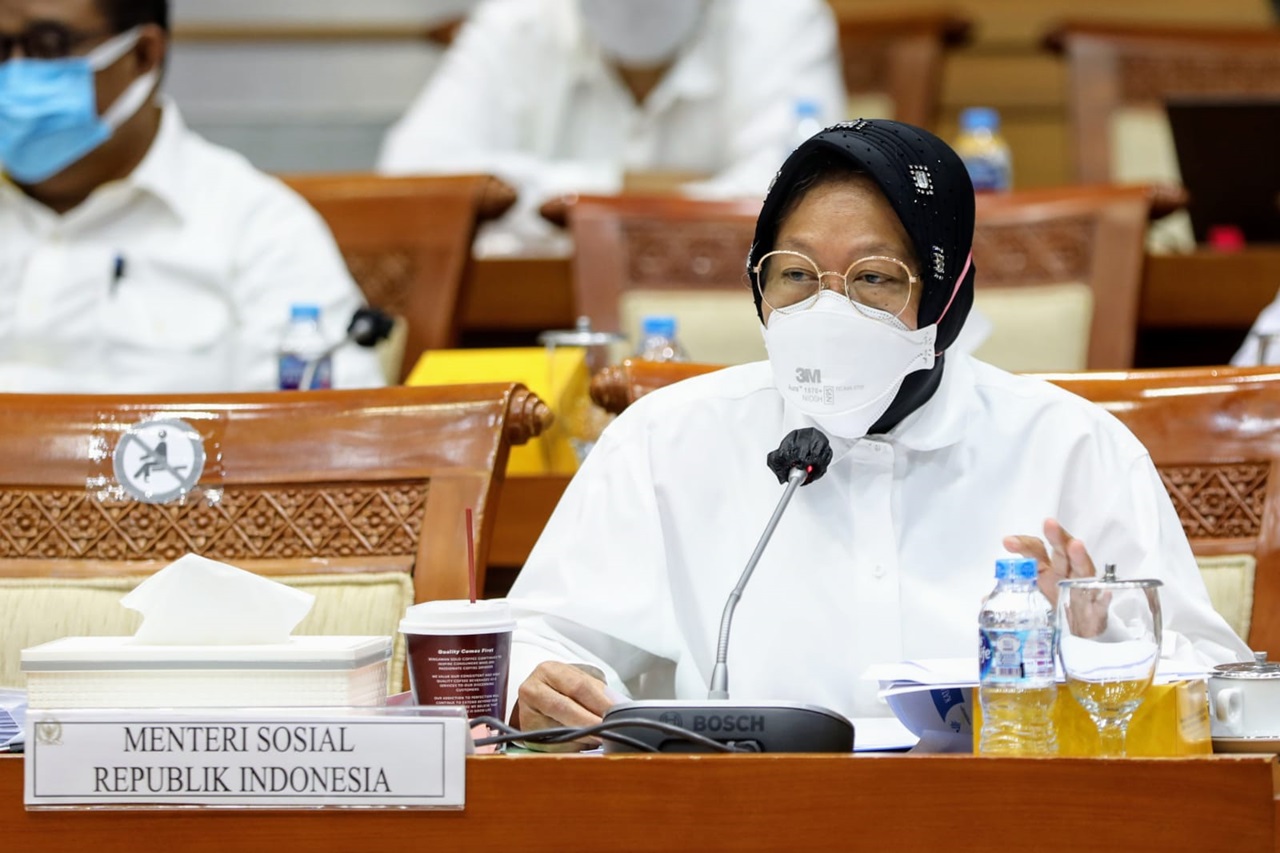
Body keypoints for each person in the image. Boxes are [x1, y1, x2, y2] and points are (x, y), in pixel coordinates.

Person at [504, 119, 1252, 744]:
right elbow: (540, 639)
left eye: (874, 278)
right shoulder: (665, 440)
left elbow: (1220, 696)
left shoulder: (1074, 448)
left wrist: (1102, 648)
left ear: (949, 296)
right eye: (794, 274)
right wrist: (539, 686)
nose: (828, 311)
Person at [0, 0, 385, 393]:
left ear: (142, 55)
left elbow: (325, 436)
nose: (12, 73)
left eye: (47, 45)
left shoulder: (259, 229)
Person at [378, 0, 844, 256]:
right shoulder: (516, 20)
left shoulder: (782, 17)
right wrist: (624, 189)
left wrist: (561, 210)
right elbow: (412, 177)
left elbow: (805, 195)